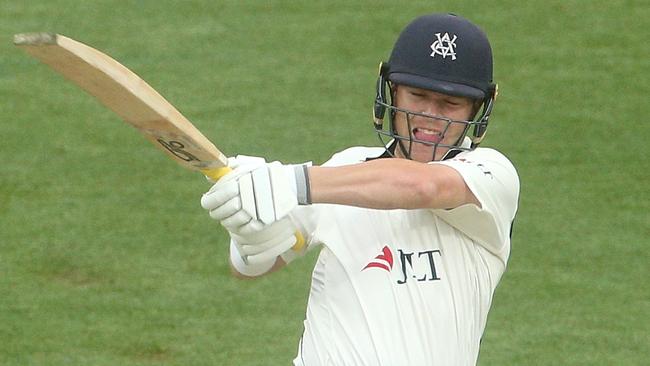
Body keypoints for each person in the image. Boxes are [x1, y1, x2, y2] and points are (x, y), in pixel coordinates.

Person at [201, 13, 520, 366]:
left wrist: (289, 182)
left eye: (450, 103)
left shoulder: (490, 175)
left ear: (478, 109)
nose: (431, 115)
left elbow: (422, 186)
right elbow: (253, 267)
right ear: (392, 93)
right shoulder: (344, 168)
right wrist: (250, 233)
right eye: (417, 96)